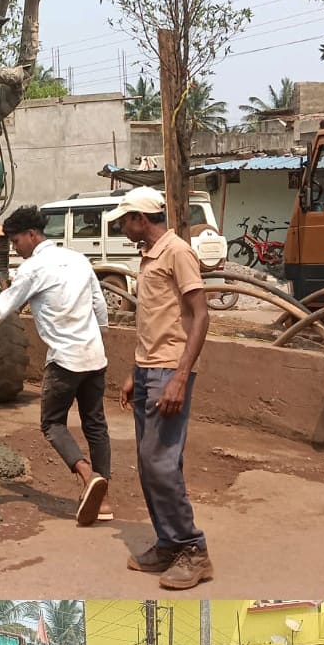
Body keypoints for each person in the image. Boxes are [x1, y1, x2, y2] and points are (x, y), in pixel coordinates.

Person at [0, 204, 111, 527]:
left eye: (16, 241)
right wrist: (97, 341)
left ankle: (87, 475)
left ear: (32, 235)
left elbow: (0, 309)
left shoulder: (34, 269)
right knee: (95, 424)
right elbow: (99, 306)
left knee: (52, 423)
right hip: (95, 356)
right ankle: (104, 498)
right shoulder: (78, 259)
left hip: (66, 360)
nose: (15, 248)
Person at [111, 186, 213, 589]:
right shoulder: (149, 256)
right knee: (149, 463)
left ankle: (192, 549)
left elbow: (201, 316)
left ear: (141, 219)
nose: (121, 226)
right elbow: (154, 321)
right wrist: (136, 372)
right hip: (150, 371)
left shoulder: (177, 253)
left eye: (125, 219)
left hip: (170, 372)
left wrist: (180, 377)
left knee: (161, 463)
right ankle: (169, 544)